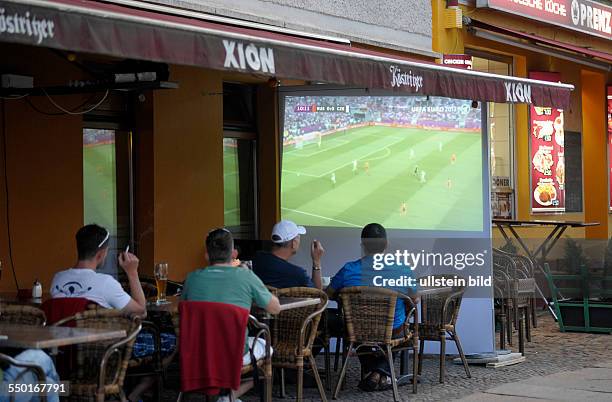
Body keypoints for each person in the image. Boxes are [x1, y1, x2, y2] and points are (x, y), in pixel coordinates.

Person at [182, 227, 280, 400]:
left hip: (198, 352)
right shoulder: (246, 276)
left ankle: (224, 396)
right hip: (234, 354)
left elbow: (186, 310)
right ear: (233, 253)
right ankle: (228, 397)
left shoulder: (191, 278)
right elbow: (275, 308)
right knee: (268, 349)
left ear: (207, 254)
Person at [326, 223, 416, 392]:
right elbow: (415, 300)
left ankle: (374, 372)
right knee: (399, 328)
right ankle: (379, 372)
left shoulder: (348, 270)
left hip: (358, 330)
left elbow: (328, 294)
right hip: (393, 330)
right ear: (386, 244)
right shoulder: (403, 270)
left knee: (359, 331)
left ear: (362, 245)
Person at [51, 224, 146, 315]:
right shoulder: (106, 283)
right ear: (100, 254)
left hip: (61, 331)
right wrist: (132, 272)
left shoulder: (58, 279)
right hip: (96, 332)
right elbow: (140, 311)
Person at [253, 220, 324, 289]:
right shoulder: (297, 274)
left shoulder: (257, 258)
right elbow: (318, 295)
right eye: (298, 238)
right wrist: (316, 261)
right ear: (294, 243)